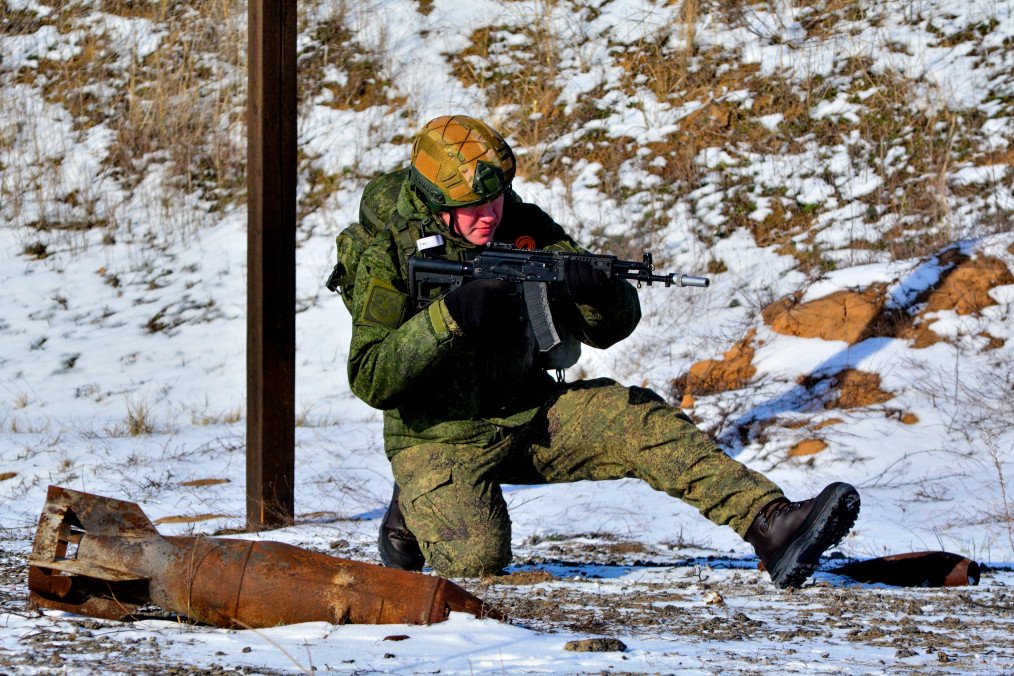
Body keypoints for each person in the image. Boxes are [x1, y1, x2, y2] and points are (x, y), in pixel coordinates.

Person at [345, 115, 860, 588]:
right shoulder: (390, 253)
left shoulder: (524, 227)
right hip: (436, 437)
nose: (489, 217)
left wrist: (598, 293)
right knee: (478, 557)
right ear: (436, 204)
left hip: (528, 413)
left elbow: (610, 330)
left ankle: (769, 523)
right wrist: (449, 317)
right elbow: (370, 376)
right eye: (472, 208)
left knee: (641, 421)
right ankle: (413, 502)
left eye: (496, 200)